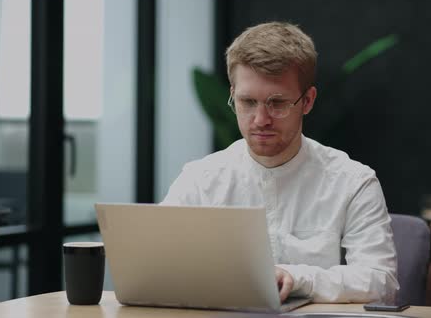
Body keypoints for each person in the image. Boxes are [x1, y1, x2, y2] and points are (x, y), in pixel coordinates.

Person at [162, 22, 398, 304]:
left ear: (307, 101)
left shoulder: (353, 181)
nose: (261, 119)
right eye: (247, 102)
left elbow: (381, 281)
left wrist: (298, 277)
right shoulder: (200, 179)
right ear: (232, 96)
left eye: (277, 103)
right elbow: (158, 266)